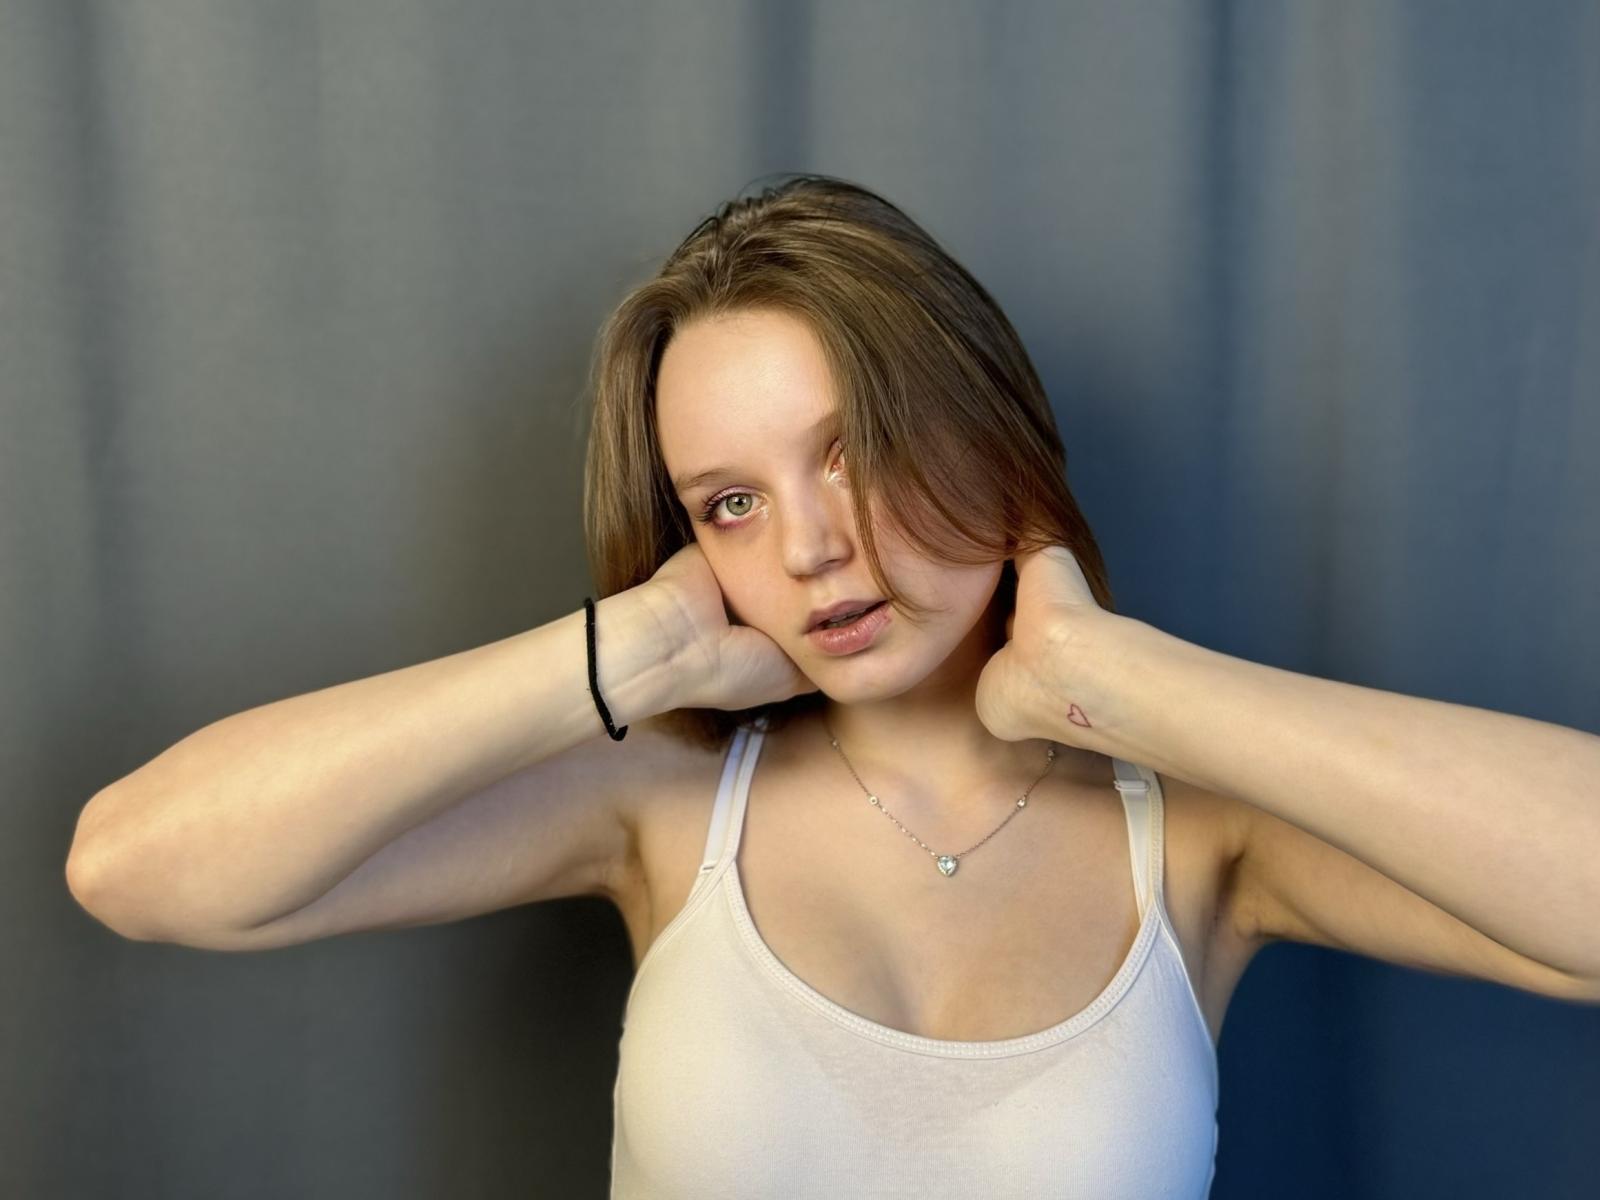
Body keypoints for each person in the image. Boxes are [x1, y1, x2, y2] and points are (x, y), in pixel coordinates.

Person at [72, 174, 1599, 1196]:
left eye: (851, 450)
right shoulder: (665, 804)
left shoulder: (1204, 837)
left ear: (986, 426)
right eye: (729, 502)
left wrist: (1119, 686)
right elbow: (139, 870)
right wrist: (629, 656)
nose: (810, 548)